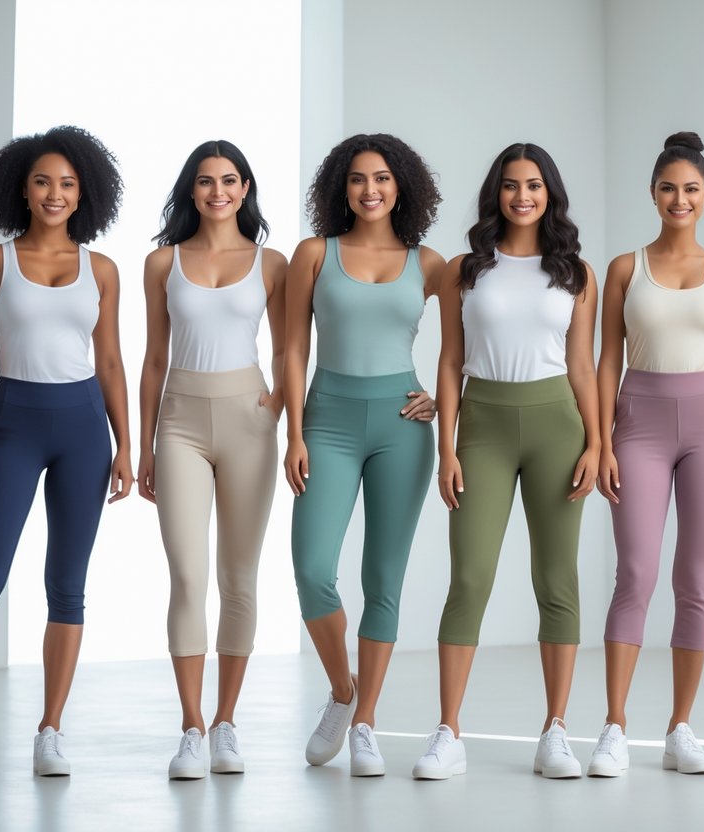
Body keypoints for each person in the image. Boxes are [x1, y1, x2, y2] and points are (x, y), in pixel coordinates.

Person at [0, 126, 131, 781]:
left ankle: (50, 731)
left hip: (84, 430)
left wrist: (126, 444)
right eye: (43, 181)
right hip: (13, 426)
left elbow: (110, 361)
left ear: (84, 193)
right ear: (22, 188)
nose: (55, 193)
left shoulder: (102, 269)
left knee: (67, 588)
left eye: (68, 184)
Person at [411, 143, 599, 780]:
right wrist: (446, 446)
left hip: (558, 426)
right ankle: (448, 731)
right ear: (496, 192)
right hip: (483, 426)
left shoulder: (575, 272)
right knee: (470, 577)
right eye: (512, 185)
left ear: (550, 194)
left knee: (557, 579)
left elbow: (582, 366)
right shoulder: (464, 269)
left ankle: (556, 731)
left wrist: (597, 444)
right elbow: (448, 360)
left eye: (535, 185)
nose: (523, 196)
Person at [589, 132, 704, 777]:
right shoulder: (624, 269)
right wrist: (602, 438)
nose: (679, 199)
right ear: (652, 194)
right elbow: (607, 359)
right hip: (639, 421)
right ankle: (614, 725)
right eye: (668, 189)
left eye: (691, 189)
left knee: (697, 578)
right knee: (635, 573)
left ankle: (680, 727)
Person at [284, 134, 442, 776]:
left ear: (401, 186)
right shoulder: (314, 254)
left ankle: (366, 722)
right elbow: (293, 348)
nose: (369, 189)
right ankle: (343, 690)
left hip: (402, 426)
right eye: (357, 179)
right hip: (328, 420)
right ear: (340, 188)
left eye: (381, 178)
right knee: (312, 567)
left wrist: (442, 397)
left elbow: (470, 346)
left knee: (383, 579)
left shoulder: (429, 263)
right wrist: (294, 433)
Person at [136, 140, 287, 779]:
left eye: (229, 180)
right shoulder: (162, 262)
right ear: (191, 190)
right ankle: (191, 727)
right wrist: (144, 443)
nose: (217, 191)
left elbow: (288, 350)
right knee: (188, 576)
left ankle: (226, 722)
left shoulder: (272, 262)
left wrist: (278, 408)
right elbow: (153, 358)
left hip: (249, 420)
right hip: (180, 423)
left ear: (245, 188)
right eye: (205, 181)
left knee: (239, 577)